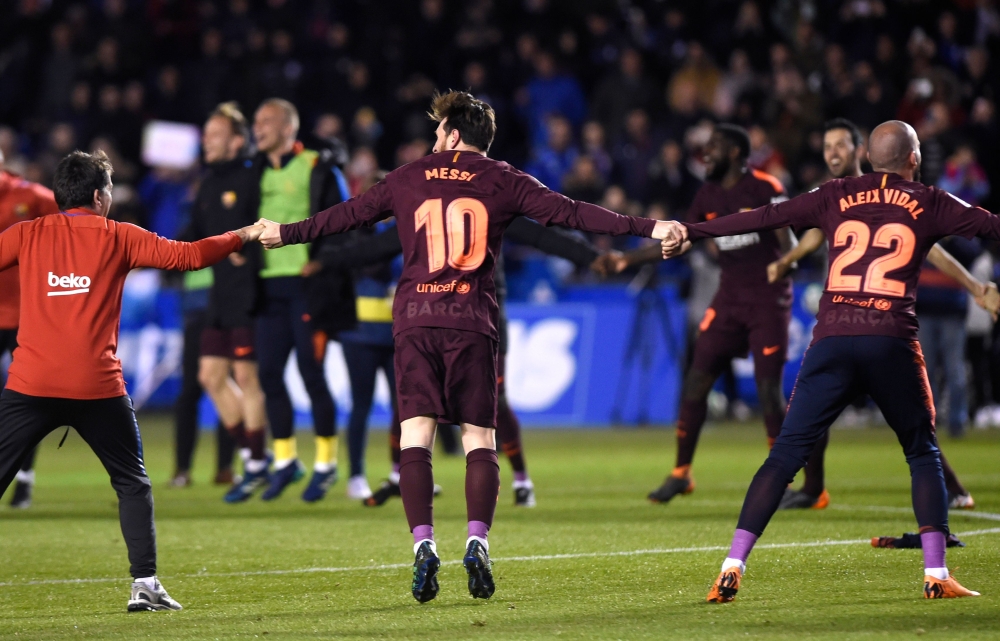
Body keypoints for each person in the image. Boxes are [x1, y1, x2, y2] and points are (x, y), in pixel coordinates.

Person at [257, 91, 673, 603]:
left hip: (416, 320)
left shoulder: (409, 176)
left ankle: (423, 545)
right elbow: (573, 214)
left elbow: (347, 216)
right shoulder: (504, 179)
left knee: (415, 434)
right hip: (471, 321)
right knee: (479, 438)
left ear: (453, 134)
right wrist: (650, 227)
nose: (434, 142)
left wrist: (286, 233)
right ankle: (477, 541)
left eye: (438, 133)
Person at [662, 120, 993, 602]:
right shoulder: (930, 200)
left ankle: (731, 565)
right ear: (914, 159)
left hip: (832, 340)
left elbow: (762, 218)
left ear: (868, 156)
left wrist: (692, 230)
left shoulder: (833, 194)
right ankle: (936, 574)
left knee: (782, 457)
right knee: (922, 453)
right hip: (891, 341)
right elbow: (990, 225)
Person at [0, 149, 262, 611]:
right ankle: (144, 583)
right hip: (97, 388)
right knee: (131, 483)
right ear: (99, 196)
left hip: (30, 385)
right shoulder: (119, 236)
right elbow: (189, 256)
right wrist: (241, 235)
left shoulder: (26, 233)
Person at [768, 118, 992, 513]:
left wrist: (973, 285)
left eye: (840, 145)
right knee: (843, 413)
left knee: (909, 422)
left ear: (862, 152)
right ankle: (814, 487)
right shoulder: (833, 194)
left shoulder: (883, 195)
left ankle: (951, 490)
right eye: (827, 146)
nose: (832, 153)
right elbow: (814, 234)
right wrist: (789, 259)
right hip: (845, 321)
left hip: (878, 321)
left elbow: (933, 249)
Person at [315, 208, 607, 508]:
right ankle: (397, 475)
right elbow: (378, 246)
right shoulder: (427, 208)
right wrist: (326, 261)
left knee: (494, 401)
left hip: (484, 318)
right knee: (411, 400)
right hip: (434, 318)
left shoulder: (488, 205)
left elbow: (540, 236)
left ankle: (521, 480)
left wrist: (590, 257)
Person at [608, 125, 804, 508]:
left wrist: (787, 263)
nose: (706, 153)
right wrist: (627, 259)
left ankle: (780, 480)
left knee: (768, 391)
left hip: (768, 300)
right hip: (728, 299)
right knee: (696, 381)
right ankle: (681, 472)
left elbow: (790, 242)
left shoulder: (765, 187)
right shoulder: (707, 195)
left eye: (714, 147)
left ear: (735, 152)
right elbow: (680, 239)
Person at [251, 98, 351, 502]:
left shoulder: (317, 166)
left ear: (289, 127)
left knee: (312, 374)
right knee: (269, 375)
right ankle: (286, 460)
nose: (258, 128)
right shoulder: (253, 170)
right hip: (267, 286)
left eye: (266, 121)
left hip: (308, 286)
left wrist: (323, 261)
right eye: (256, 121)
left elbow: (344, 219)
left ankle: (326, 464)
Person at [186, 103, 270, 503]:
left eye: (214, 135)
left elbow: (270, 226)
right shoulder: (207, 184)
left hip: (249, 294)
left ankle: (256, 462)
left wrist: (247, 252)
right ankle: (255, 455)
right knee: (210, 377)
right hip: (220, 295)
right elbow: (193, 232)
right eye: (205, 135)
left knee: (247, 377)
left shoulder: (254, 177)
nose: (206, 141)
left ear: (237, 141)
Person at [0, 148, 60, 508]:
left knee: (31, 397)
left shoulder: (32, 196)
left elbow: (72, 226)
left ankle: (24, 477)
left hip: (27, 314)